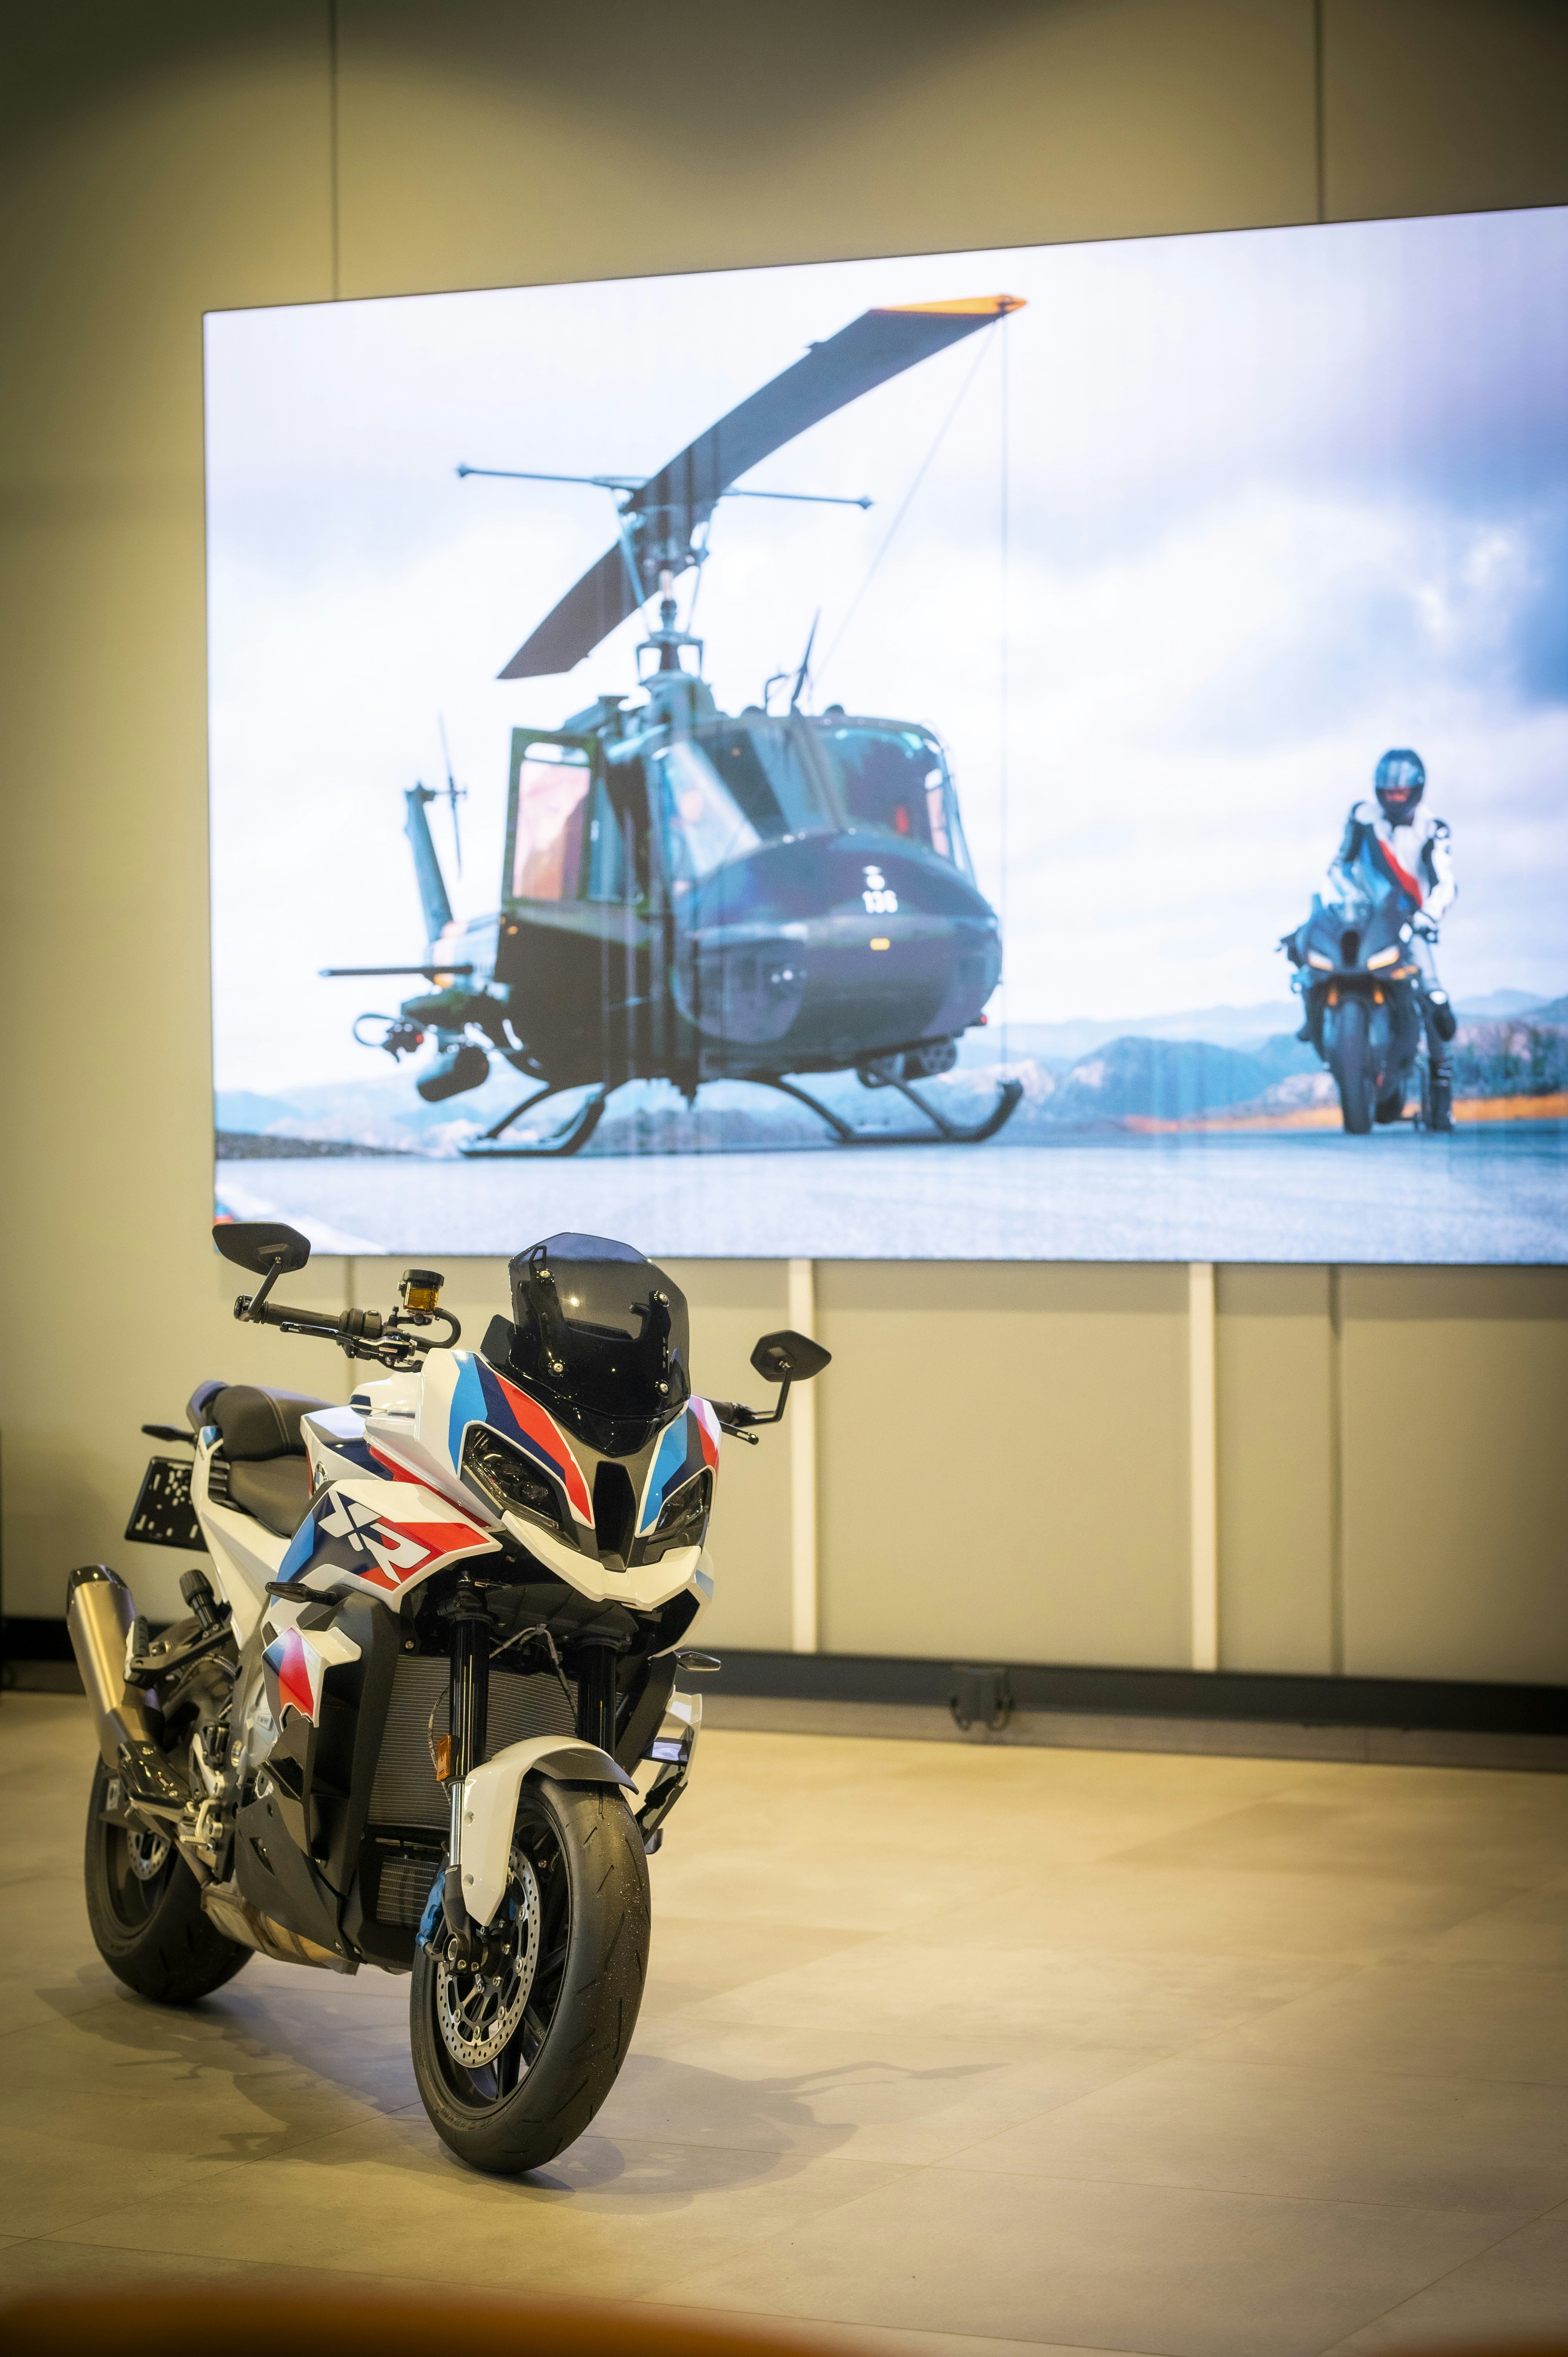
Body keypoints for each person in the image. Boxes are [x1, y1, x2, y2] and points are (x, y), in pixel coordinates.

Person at [1319, 748, 1458, 1130]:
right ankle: (1318, 1029)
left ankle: (1441, 1098)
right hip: (1365, 920)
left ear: (1415, 791)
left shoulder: (1432, 829)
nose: (1394, 800)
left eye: (1401, 793)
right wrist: (1337, 901)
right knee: (1319, 960)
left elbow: (1445, 881)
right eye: (1388, 793)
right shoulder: (1363, 819)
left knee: (1433, 1001)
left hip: (1410, 925)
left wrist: (1428, 916)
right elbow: (1339, 866)